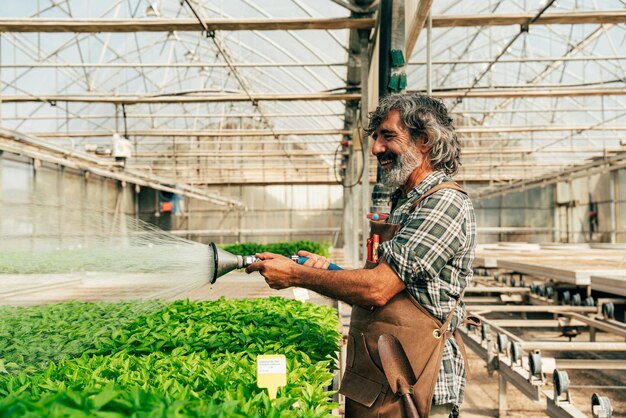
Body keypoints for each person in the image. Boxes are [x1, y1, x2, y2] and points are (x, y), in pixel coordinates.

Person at [246, 93, 476, 418]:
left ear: (424, 141)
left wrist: (297, 276)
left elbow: (378, 288)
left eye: (388, 136)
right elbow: (401, 286)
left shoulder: (444, 204)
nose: (376, 148)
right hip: (385, 375)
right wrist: (331, 270)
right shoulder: (406, 201)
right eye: (375, 137)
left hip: (418, 379)